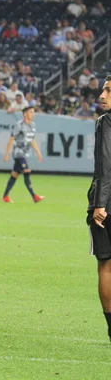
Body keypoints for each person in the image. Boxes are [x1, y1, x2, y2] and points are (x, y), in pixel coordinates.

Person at [86, 75, 111, 342]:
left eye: (108, 90)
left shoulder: (106, 122)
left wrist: (99, 204)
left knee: (106, 265)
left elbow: (105, 165)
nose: (102, 95)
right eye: (103, 90)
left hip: (108, 206)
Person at [2, 107, 44, 203]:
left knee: (15, 174)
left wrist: (38, 153)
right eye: (31, 112)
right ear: (25, 114)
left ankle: (5, 197)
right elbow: (11, 139)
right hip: (18, 153)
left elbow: (32, 140)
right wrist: (7, 154)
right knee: (27, 170)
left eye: (33, 112)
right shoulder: (19, 125)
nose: (33, 114)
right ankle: (34, 196)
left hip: (24, 153)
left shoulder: (33, 125)